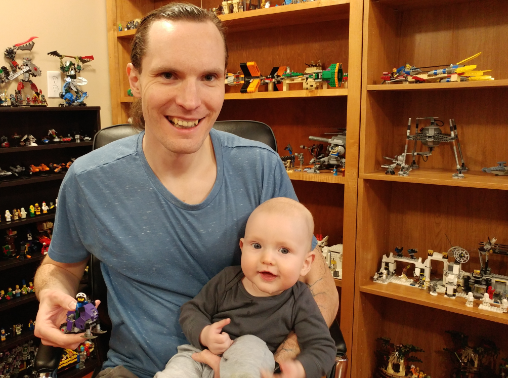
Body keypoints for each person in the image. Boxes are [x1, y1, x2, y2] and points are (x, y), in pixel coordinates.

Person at [33, 3, 338, 378]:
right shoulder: (89, 179)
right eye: (168, 74)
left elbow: (319, 283)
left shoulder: (260, 168)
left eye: (209, 77)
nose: (191, 101)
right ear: (134, 78)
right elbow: (60, 266)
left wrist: (281, 363)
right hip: (136, 370)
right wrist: (50, 291)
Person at [156, 198, 335, 378]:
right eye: (257, 246)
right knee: (177, 368)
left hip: (248, 366)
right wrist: (205, 334)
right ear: (242, 247)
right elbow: (192, 310)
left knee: (251, 344)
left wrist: (300, 370)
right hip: (199, 357)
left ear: (305, 263)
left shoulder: (300, 299)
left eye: (284, 250)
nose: (268, 259)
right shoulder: (227, 280)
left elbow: (323, 347)